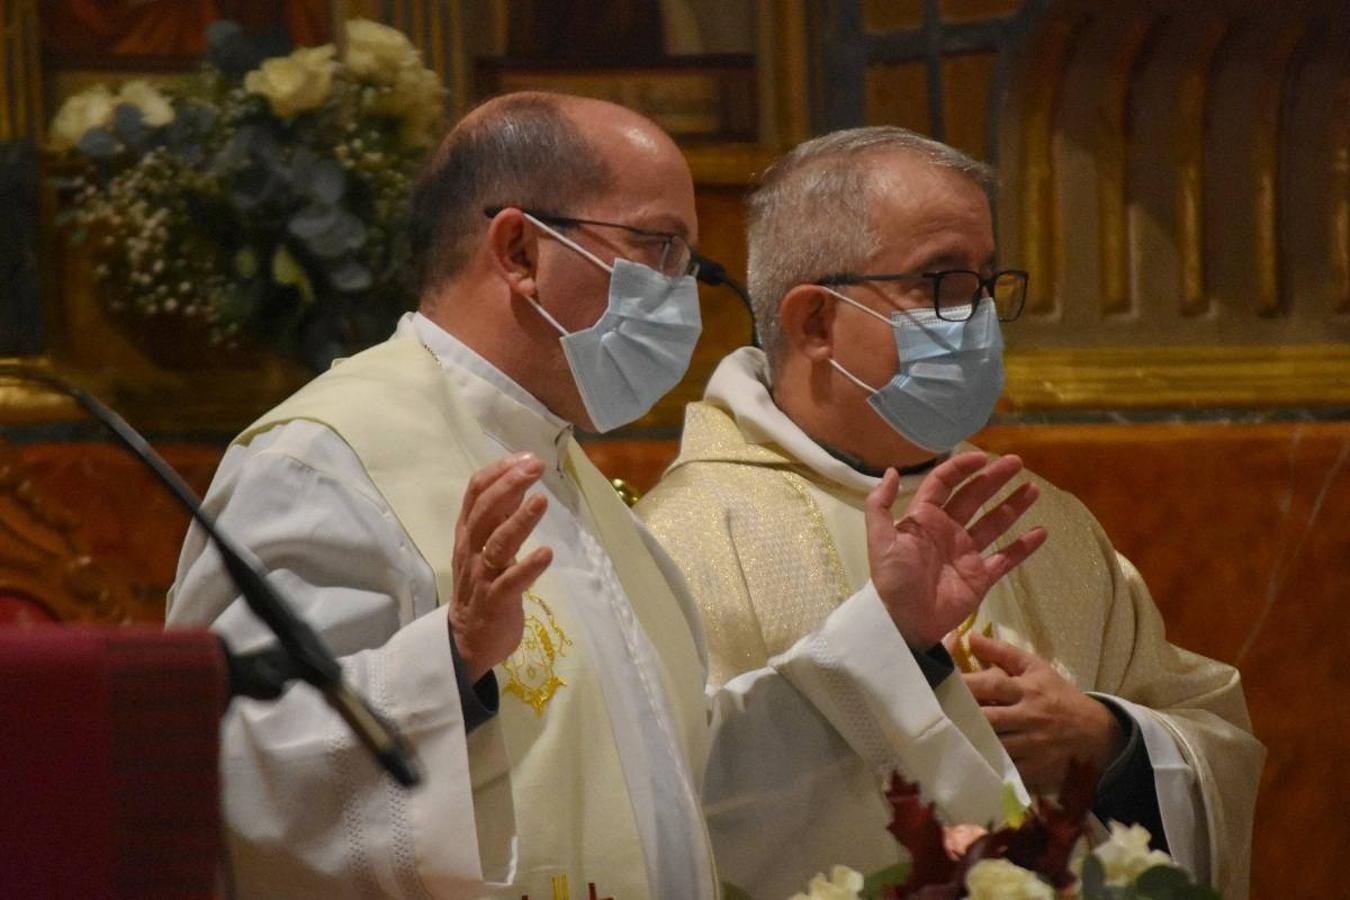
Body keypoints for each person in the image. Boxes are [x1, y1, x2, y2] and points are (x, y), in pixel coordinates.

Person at [168, 96, 1044, 898]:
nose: (681, 293)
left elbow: (680, 789)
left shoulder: (569, 476)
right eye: (659, 249)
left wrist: (890, 639)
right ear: (519, 252)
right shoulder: (325, 458)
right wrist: (450, 665)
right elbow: (227, 772)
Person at [637, 127, 1265, 899]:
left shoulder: (1045, 521)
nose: (976, 318)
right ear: (815, 324)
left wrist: (1111, 744)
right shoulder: (687, 538)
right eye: (940, 280)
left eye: (984, 281)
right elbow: (664, 813)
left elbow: (1215, 735)